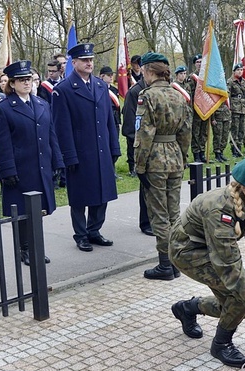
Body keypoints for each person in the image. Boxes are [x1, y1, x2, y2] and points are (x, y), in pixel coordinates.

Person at [169, 156, 245, 367]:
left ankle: (188, 308)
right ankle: (221, 344)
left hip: (212, 251)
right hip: (188, 251)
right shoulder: (219, 210)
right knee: (244, 294)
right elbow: (228, 264)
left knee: (237, 303)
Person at [0, 60, 64, 264]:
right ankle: (24, 249)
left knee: (38, 211)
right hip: (20, 168)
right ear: (12, 84)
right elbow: (2, 143)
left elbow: (51, 135)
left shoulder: (42, 103)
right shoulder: (4, 108)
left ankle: (36, 248)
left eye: (29, 79)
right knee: (22, 212)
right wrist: (6, 170)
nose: (26, 83)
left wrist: (57, 161)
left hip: (40, 166)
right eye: (21, 80)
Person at [52, 43, 120, 252]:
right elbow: (61, 127)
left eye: (91, 60)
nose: (89, 63)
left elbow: (109, 120)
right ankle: (81, 235)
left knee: (103, 194)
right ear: (74, 63)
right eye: (84, 60)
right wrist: (69, 156)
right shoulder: (63, 90)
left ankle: (94, 230)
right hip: (81, 152)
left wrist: (114, 147)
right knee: (80, 197)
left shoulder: (100, 86)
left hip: (101, 150)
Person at [133, 52, 191, 280]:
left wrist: (139, 166)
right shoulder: (178, 96)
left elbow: (144, 134)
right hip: (175, 156)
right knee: (174, 214)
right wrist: (182, 157)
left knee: (158, 214)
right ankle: (175, 262)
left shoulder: (147, 96)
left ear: (148, 71)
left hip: (155, 159)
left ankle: (165, 265)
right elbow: (186, 133)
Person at [122, 57, 153, 236]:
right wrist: (141, 144)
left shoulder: (160, 90)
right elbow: (129, 125)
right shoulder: (135, 92)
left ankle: (159, 220)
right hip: (143, 146)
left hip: (160, 148)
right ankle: (146, 222)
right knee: (147, 186)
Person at [187, 54, 209, 163]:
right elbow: (190, 95)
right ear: (195, 64)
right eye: (197, 62)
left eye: (201, 62)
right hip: (196, 109)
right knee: (195, 132)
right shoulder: (192, 78)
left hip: (205, 108)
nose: (199, 64)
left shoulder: (207, 77)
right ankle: (196, 154)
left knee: (203, 132)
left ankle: (202, 152)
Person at [228, 63, 245, 156]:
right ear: (234, 71)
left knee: (242, 129)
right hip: (235, 108)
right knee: (235, 129)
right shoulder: (230, 81)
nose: (240, 71)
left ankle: (239, 147)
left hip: (244, 108)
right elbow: (228, 97)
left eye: (241, 70)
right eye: (238, 70)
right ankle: (234, 149)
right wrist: (229, 109)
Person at [99, 66, 121, 135]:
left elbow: (117, 107)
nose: (111, 77)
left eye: (112, 75)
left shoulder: (115, 90)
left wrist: (119, 121)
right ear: (102, 76)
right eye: (108, 75)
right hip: (104, 118)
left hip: (114, 119)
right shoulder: (98, 89)